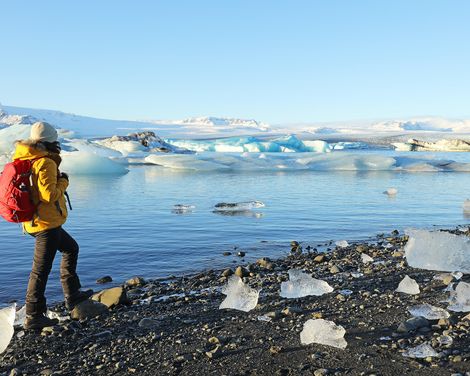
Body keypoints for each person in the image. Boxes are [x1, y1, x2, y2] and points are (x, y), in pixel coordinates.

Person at [13, 122, 92, 330]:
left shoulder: (26, 158)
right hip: (46, 223)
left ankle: (72, 295)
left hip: (34, 222)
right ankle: (34, 314)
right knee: (40, 270)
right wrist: (64, 182)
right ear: (50, 141)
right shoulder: (44, 162)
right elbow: (49, 194)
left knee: (71, 248)